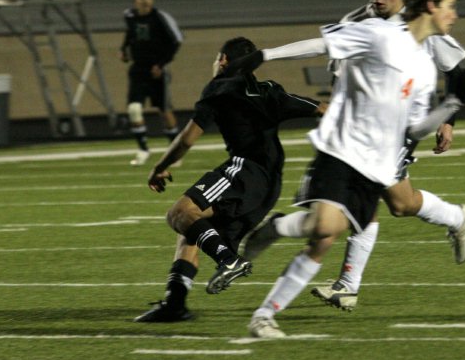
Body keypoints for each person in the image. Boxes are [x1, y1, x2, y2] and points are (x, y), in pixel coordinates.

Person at [231, 0, 465, 338]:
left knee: (323, 230)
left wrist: (450, 107)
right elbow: (321, 45)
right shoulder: (379, 34)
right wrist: (264, 55)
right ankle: (265, 316)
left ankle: (276, 233)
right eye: (450, 7)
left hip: (378, 165)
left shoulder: (425, 68)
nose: (454, 15)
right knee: (325, 234)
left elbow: (414, 130)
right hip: (342, 150)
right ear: (430, 5)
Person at [135, 37, 325, 322]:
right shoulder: (269, 90)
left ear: (223, 60)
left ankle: (228, 260)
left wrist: (160, 167)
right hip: (269, 185)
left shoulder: (219, 88)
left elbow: (188, 138)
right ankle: (175, 303)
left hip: (244, 172)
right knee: (193, 230)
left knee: (180, 213)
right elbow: (323, 109)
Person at [119, 0, 183, 166]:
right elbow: (130, 35)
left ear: (152, 0)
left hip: (157, 72)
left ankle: (175, 151)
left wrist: (161, 64)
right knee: (133, 109)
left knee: (165, 110)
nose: (144, 0)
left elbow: (176, 41)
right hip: (138, 69)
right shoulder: (129, 16)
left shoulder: (160, 18)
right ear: (135, 0)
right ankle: (143, 149)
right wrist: (123, 50)